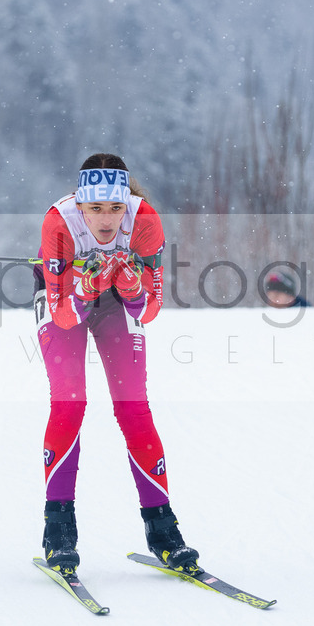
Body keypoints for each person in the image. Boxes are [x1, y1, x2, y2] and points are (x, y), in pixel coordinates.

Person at [32, 153, 200, 577]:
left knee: (133, 406)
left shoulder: (144, 221)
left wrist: (127, 285)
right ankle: (58, 533)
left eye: (114, 208)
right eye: (95, 208)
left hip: (118, 299)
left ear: (128, 203)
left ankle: (164, 533)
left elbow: (150, 308)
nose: (106, 220)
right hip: (66, 296)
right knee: (69, 403)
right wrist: (86, 288)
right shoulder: (59, 223)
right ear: (79, 203)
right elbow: (64, 314)